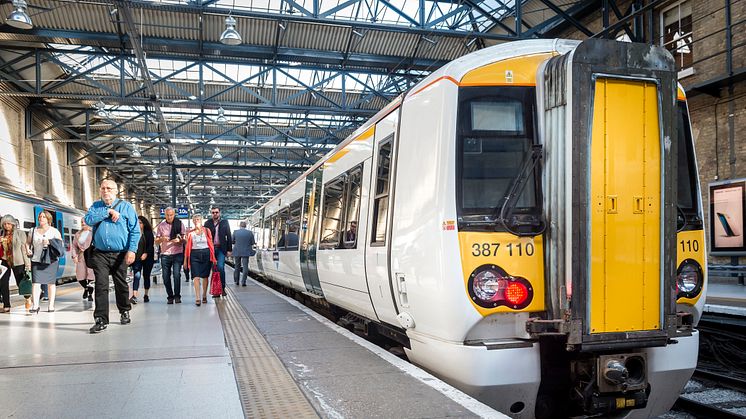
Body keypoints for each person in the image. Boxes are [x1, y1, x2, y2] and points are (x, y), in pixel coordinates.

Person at [85, 179, 140, 333]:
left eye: (109, 188)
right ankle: (101, 319)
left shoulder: (126, 207)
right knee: (101, 285)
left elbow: (135, 231)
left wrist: (132, 250)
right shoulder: (96, 207)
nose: (105, 191)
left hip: (120, 253)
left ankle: (124, 310)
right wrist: (107, 212)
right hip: (99, 253)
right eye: (102, 188)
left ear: (116, 191)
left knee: (120, 283)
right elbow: (88, 220)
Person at [26, 210, 62, 313]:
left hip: (51, 260)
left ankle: (51, 306)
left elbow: (60, 245)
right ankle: (35, 306)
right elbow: (27, 243)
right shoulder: (33, 230)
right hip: (36, 259)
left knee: (51, 283)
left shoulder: (54, 231)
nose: (41, 218)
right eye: (40, 216)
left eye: (43, 217)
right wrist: (28, 249)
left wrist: (50, 242)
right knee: (36, 283)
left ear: (48, 219)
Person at [0, 214, 31, 313]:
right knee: (3, 283)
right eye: (4, 224)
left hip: (18, 261)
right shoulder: (1, 233)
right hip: (5, 261)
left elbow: (24, 249)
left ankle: (28, 298)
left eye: (9, 224)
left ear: (13, 224)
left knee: (20, 283)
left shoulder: (20, 233)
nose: (6, 226)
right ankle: (6, 305)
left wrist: (27, 263)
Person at [155, 207, 186, 304]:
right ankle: (170, 296)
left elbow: (185, 239)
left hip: (177, 253)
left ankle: (177, 296)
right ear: (165, 215)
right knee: (165, 276)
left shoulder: (180, 224)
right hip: (165, 254)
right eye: (167, 215)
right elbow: (156, 241)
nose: (169, 217)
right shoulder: (161, 226)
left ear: (174, 215)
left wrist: (180, 240)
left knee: (177, 275)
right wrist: (161, 239)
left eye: (171, 215)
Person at [184, 214, 216, 306]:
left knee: (205, 276)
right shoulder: (190, 233)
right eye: (195, 219)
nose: (196, 221)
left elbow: (211, 244)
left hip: (206, 254)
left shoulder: (207, 230)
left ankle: (204, 295)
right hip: (194, 255)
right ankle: (197, 297)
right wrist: (185, 261)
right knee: (196, 276)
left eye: (198, 219)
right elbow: (187, 248)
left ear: (201, 221)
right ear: (193, 221)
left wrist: (213, 257)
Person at [204, 206, 232, 297]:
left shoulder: (225, 222)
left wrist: (229, 250)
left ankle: (222, 288)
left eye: (216, 212)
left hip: (221, 249)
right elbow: (205, 237)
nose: (215, 214)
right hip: (211, 249)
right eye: (213, 212)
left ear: (219, 213)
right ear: (211, 213)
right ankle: (216, 291)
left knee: (220, 267)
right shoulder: (207, 223)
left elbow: (229, 236)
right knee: (214, 270)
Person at [70, 217, 95, 301]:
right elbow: (74, 246)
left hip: (91, 257)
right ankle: (86, 288)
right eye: (81, 222)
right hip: (81, 257)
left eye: (84, 222)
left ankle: (90, 294)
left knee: (91, 276)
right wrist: (74, 256)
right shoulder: (77, 234)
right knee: (80, 277)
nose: (83, 223)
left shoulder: (93, 232)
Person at [131, 216, 155, 304]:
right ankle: (134, 295)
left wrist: (146, 253)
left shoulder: (148, 233)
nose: (138, 224)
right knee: (136, 275)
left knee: (146, 275)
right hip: (137, 258)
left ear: (144, 224)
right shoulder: (133, 233)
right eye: (137, 223)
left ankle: (146, 294)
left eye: (140, 223)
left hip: (148, 258)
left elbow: (150, 245)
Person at [232, 221, 256, 287]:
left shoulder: (235, 232)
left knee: (237, 267)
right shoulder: (250, 233)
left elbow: (232, 241)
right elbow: (252, 242)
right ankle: (243, 282)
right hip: (246, 252)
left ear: (240, 226)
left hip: (237, 251)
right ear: (245, 226)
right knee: (245, 267)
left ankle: (236, 281)